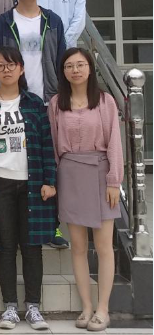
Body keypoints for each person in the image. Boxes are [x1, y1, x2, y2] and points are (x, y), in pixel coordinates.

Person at [0, 47, 57, 331]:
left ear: (21, 68)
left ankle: (33, 306)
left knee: (32, 246)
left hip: (32, 182)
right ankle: (10, 307)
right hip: (0, 183)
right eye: (0, 65)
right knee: (5, 246)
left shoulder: (34, 103)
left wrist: (50, 181)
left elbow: (47, 144)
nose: (6, 70)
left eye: (11, 65)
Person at [49, 48, 123, 332]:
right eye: (69, 66)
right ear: (63, 71)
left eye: (80, 65)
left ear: (90, 68)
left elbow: (114, 142)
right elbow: (53, 145)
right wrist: (54, 181)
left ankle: (103, 309)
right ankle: (87, 306)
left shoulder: (105, 101)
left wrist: (114, 180)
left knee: (103, 246)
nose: (75, 70)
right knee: (78, 247)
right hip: (69, 174)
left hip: (100, 173)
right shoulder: (56, 103)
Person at [0, 0, 66, 104]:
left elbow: (61, 60)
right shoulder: (4, 22)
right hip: (13, 98)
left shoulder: (53, 21)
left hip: (49, 98)